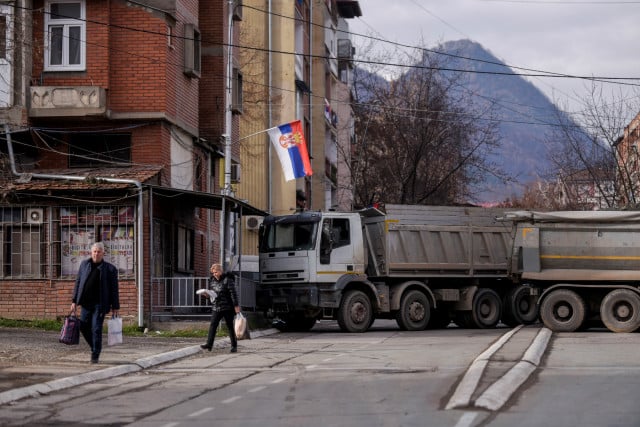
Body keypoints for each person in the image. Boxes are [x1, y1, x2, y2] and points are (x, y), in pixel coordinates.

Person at [70, 242, 120, 364]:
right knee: (83, 326)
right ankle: (94, 346)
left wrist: (115, 306)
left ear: (103, 253)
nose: (96, 254)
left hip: (100, 304)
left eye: (99, 251)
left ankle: (95, 355)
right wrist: (74, 301)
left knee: (96, 329)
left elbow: (114, 289)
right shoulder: (84, 264)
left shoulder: (110, 269)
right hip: (86, 303)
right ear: (91, 252)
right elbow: (78, 282)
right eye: (94, 251)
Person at [200, 263, 241, 353]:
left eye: (216, 272)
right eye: (213, 273)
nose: (215, 274)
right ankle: (209, 344)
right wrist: (207, 295)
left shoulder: (228, 280)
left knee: (230, 326)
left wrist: (236, 306)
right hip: (216, 306)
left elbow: (233, 294)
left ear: (220, 271)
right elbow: (213, 293)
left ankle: (234, 346)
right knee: (213, 325)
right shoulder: (212, 281)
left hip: (227, 307)